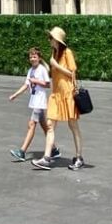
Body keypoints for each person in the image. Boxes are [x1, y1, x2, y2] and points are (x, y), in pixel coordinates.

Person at [31, 26, 84, 171]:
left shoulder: (67, 52)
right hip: (56, 95)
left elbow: (72, 74)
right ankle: (46, 158)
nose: (49, 40)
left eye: (51, 38)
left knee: (73, 126)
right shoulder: (54, 54)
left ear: (57, 40)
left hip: (68, 94)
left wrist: (56, 66)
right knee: (50, 125)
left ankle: (79, 157)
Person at [8, 47, 51, 161]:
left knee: (31, 124)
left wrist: (36, 81)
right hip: (35, 101)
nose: (32, 59)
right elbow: (26, 85)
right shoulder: (30, 70)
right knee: (46, 128)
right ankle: (55, 150)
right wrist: (15, 95)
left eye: (34, 57)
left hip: (40, 102)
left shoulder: (42, 69)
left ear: (39, 58)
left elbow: (48, 84)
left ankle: (22, 152)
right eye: (31, 57)